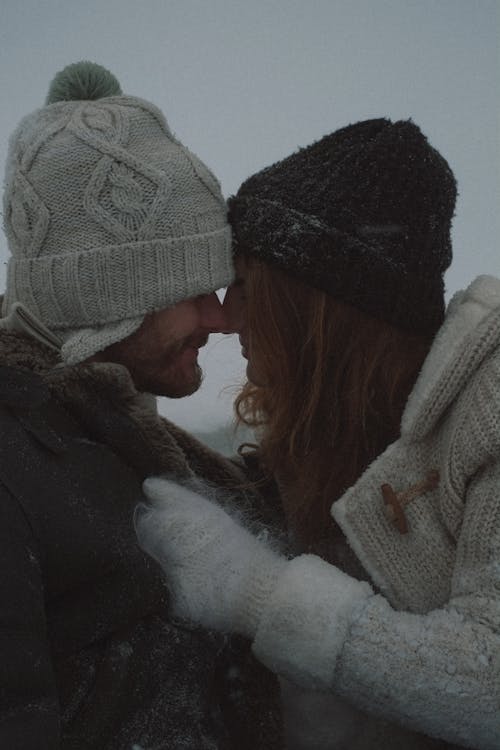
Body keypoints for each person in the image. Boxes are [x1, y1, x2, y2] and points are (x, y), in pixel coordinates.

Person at [136, 119, 500, 750]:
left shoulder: (488, 410)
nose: (224, 315)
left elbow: (488, 678)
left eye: (247, 287)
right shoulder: (333, 427)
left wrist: (257, 592)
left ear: (316, 307)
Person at [0, 61, 283, 749]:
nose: (219, 320)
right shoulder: (14, 468)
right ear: (109, 298)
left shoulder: (115, 433)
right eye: (191, 289)